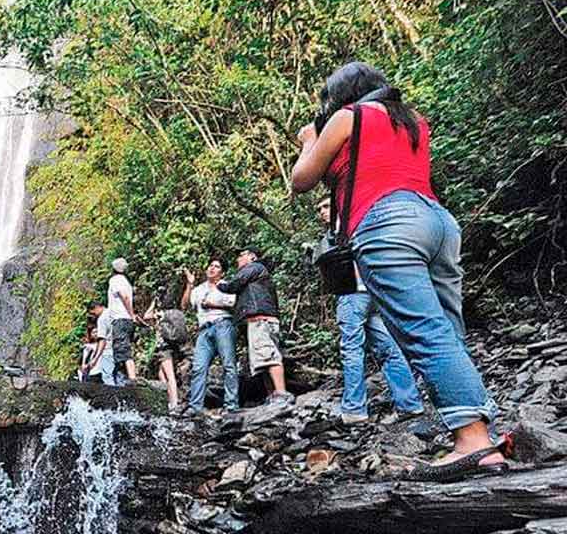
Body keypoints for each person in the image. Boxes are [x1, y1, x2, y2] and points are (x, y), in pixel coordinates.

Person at [291, 61, 506, 481]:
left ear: (341, 95)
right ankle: (480, 430)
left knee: (426, 333)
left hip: (388, 225)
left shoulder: (347, 117)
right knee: (446, 329)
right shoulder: (413, 120)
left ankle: (474, 441)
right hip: (438, 222)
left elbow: (302, 179)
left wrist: (308, 140)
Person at [315, 197, 424, 424]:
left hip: (352, 293)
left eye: (326, 207)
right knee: (387, 347)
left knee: (352, 349)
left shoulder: (341, 227)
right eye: (319, 209)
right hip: (371, 292)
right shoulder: (362, 221)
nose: (322, 212)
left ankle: (355, 408)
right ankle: (409, 403)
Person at [217, 247, 293, 405]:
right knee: (263, 360)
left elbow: (234, 284)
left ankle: (282, 393)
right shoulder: (258, 272)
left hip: (261, 319)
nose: (237, 259)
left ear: (251, 257)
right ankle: (273, 396)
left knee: (270, 357)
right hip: (260, 318)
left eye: (241, 255)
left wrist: (221, 284)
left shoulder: (254, 267)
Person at [180, 258, 240, 415]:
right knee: (199, 368)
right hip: (204, 330)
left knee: (228, 365)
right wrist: (190, 284)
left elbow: (235, 305)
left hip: (223, 325)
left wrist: (213, 305)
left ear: (222, 272)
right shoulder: (199, 289)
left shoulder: (227, 286)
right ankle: (195, 407)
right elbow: (184, 306)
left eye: (217, 266)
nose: (212, 268)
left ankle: (231, 406)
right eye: (210, 265)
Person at [142, 289, 187, 410]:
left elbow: (146, 316)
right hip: (171, 347)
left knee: (169, 376)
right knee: (161, 375)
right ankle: (169, 401)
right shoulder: (175, 313)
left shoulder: (160, 315)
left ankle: (174, 403)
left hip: (163, 348)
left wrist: (153, 302)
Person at [106, 258, 141, 383]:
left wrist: (131, 314)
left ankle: (131, 378)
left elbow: (124, 296)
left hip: (120, 319)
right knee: (124, 347)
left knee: (122, 349)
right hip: (126, 319)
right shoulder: (126, 281)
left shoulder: (115, 280)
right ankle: (126, 379)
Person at [85, 301, 116, 385]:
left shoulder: (102, 319)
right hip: (119, 348)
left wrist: (95, 358)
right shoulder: (113, 312)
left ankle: (113, 397)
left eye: (93, 313)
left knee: (107, 377)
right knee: (118, 377)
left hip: (108, 351)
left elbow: (102, 340)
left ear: (96, 308)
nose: (94, 315)